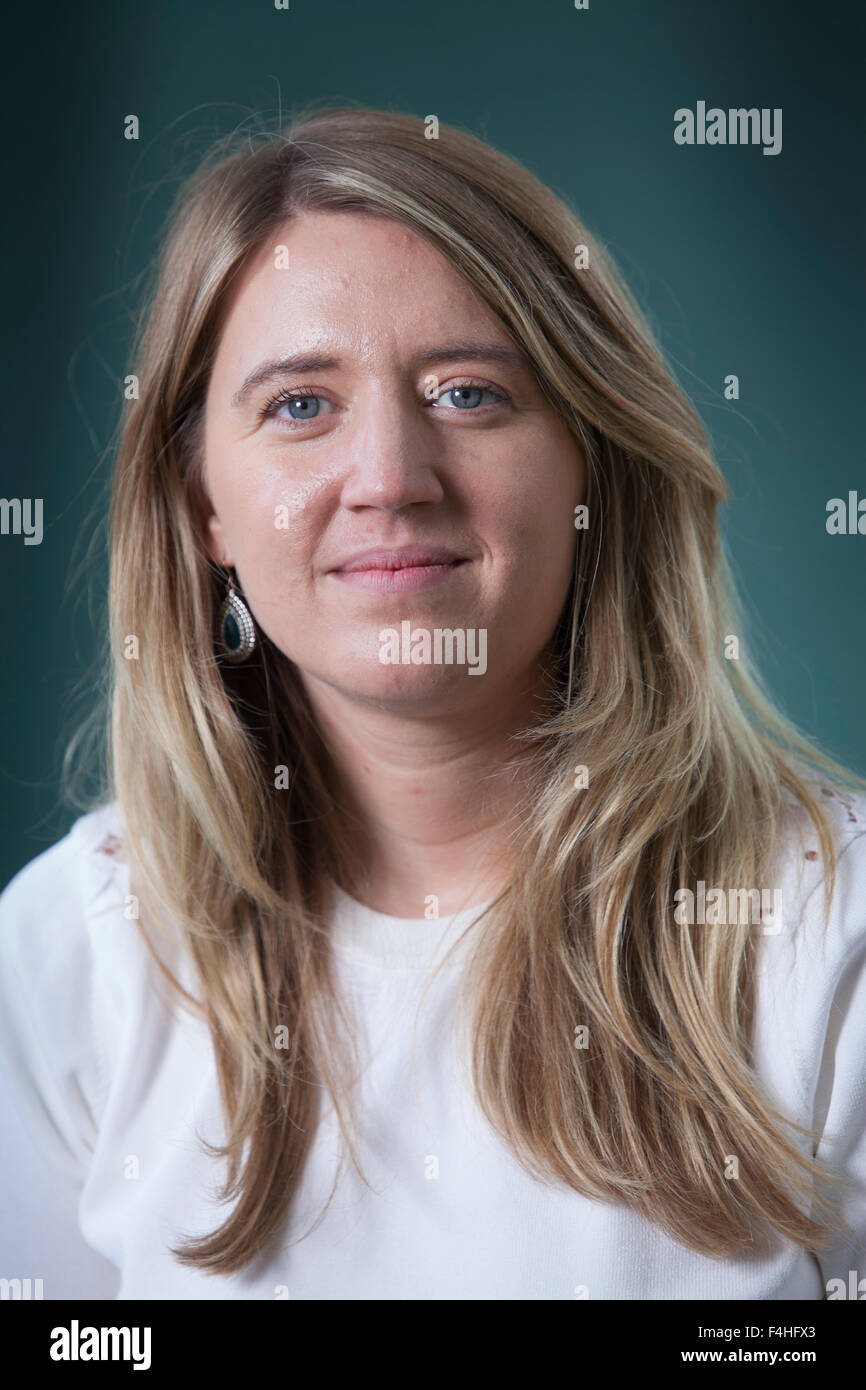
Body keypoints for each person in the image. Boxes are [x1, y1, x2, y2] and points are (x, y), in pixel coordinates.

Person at [1, 104, 864, 1301]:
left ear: (588, 461)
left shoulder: (833, 936)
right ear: (203, 504)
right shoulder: (67, 957)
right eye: (300, 404)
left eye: (467, 393)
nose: (391, 481)